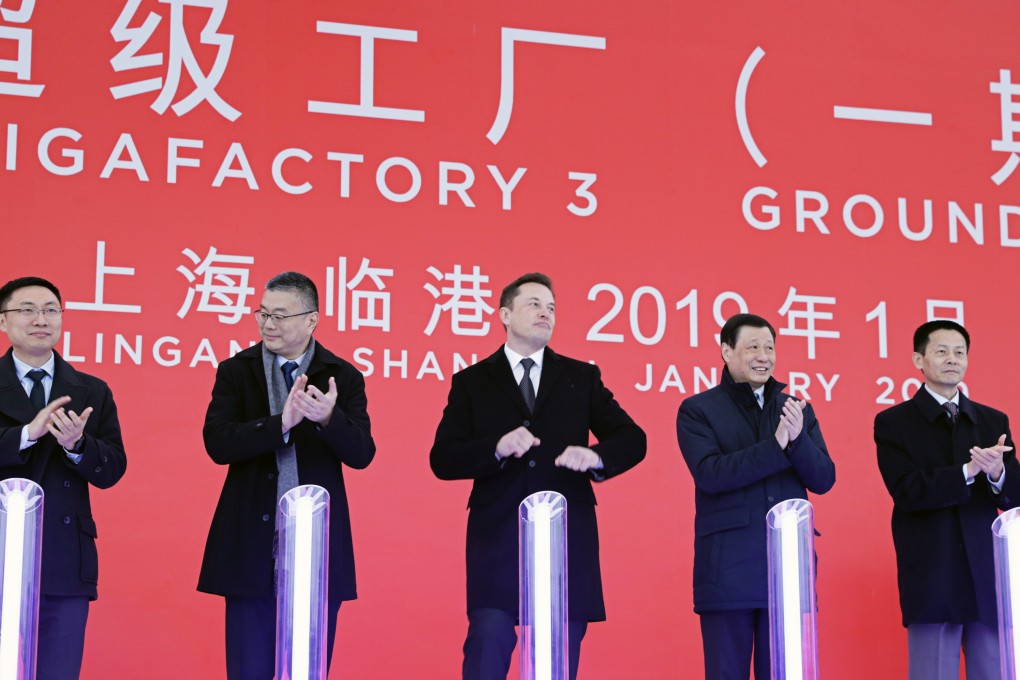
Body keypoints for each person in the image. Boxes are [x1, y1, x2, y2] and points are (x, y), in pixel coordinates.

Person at [430, 272, 646, 680]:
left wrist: (595, 456)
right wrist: (495, 448)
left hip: (566, 538)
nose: (545, 313)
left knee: (560, 653)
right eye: (534, 304)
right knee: (489, 641)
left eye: (551, 307)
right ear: (505, 314)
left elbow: (633, 438)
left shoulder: (580, 376)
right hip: (499, 539)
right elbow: (443, 458)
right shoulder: (473, 381)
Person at [198, 271, 375, 680]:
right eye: (263, 314)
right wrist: (281, 422)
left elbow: (362, 454)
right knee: (249, 669)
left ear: (311, 320)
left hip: (318, 548)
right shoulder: (236, 371)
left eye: (280, 316)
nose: (268, 325)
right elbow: (217, 443)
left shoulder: (341, 377)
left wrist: (330, 418)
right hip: (251, 544)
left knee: (307, 670)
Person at [676, 313, 835, 680]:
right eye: (753, 347)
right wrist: (777, 444)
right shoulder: (698, 410)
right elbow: (711, 475)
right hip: (728, 569)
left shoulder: (795, 408)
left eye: (769, 347)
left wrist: (798, 441)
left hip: (788, 569)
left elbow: (824, 478)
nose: (763, 355)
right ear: (726, 351)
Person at [875, 320, 1019, 680]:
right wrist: (967, 471)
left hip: (987, 571)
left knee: (995, 671)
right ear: (918, 359)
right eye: (941, 351)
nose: (952, 359)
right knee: (933, 672)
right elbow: (906, 491)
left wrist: (998, 474)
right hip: (932, 568)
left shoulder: (991, 419)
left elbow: (1014, 497)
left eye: (959, 352)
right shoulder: (894, 422)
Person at [0, 276, 127, 680]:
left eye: (51, 310)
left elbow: (113, 469)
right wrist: (25, 435)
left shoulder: (92, 390)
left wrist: (77, 446)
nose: (41, 319)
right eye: (27, 310)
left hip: (63, 561)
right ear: (3, 322)